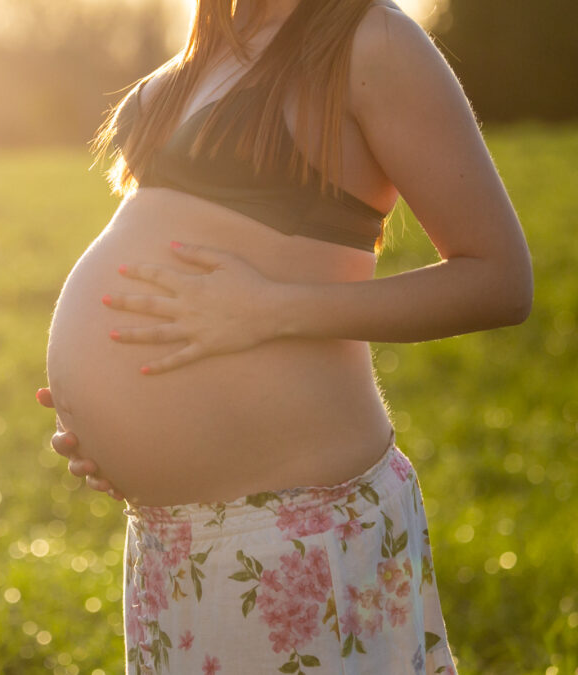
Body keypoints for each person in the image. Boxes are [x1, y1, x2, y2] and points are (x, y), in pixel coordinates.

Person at [38, 0, 532, 673]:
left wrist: (270, 309)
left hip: (301, 532)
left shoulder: (371, 42)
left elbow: (499, 278)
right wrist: (112, 434)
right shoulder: (204, 55)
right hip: (171, 544)